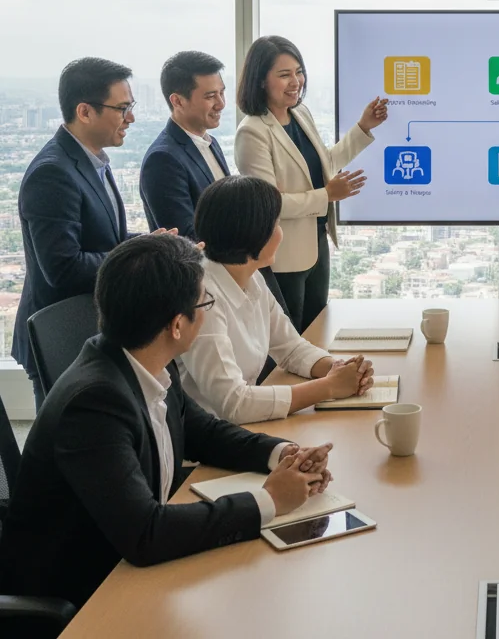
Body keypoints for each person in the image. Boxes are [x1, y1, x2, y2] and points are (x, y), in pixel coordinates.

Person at [0, 233, 335, 610]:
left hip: (126, 562)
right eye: (204, 302)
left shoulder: (143, 360)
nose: (206, 311)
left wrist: (283, 453)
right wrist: (270, 499)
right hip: (86, 592)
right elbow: (146, 534)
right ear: (177, 325)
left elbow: (203, 432)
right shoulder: (94, 403)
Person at [180, 176, 375, 423]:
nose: (281, 234)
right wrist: (330, 387)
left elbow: (291, 348)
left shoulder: (253, 279)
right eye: (277, 224)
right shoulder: (202, 299)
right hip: (207, 446)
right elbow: (233, 404)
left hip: (243, 430)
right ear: (255, 234)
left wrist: (339, 369)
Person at [13, 58, 143, 410]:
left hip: (90, 328)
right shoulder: (53, 173)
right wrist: (136, 258)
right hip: (61, 336)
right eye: (122, 108)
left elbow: (102, 239)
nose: (130, 117)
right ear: (85, 111)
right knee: (66, 450)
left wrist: (147, 243)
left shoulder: (92, 158)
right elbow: (63, 267)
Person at [234, 35, 388, 332]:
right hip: (284, 255)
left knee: (317, 330)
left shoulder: (299, 114)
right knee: (293, 338)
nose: (296, 81)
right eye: (284, 75)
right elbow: (267, 204)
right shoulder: (252, 132)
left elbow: (324, 163)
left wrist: (363, 128)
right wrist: (326, 196)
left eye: (298, 71)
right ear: (261, 80)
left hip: (316, 244)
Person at [140, 50, 230, 239]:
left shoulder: (210, 143)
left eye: (221, 92)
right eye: (210, 96)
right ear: (178, 101)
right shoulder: (162, 159)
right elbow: (185, 238)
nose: (221, 103)